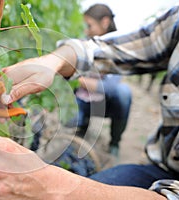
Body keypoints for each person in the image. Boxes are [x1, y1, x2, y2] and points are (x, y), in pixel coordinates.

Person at [0, 5, 179, 199]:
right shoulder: (175, 19)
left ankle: (113, 141)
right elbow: (102, 51)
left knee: (121, 97)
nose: (87, 30)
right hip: (161, 166)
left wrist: (62, 189)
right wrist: (52, 62)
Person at [66, 4, 132, 157]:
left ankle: (115, 142)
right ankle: (82, 125)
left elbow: (108, 87)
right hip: (82, 100)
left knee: (123, 93)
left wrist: (77, 77)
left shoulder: (119, 48)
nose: (86, 30)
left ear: (104, 22)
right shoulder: (84, 42)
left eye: (89, 25)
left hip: (106, 103)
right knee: (70, 120)